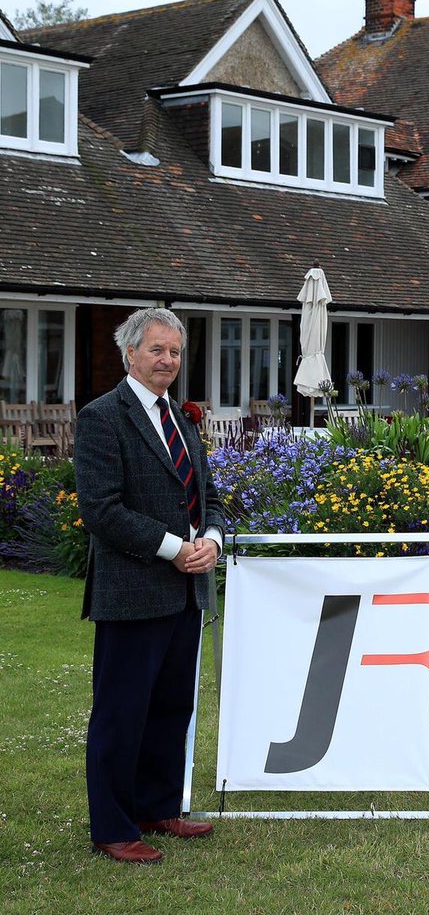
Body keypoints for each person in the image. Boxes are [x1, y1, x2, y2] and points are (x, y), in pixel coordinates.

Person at [75, 307, 225, 864]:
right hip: (133, 591)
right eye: (157, 350)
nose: (168, 360)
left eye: (175, 352)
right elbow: (101, 509)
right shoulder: (102, 417)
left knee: (170, 707)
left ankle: (158, 806)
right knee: (121, 713)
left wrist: (210, 537)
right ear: (129, 354)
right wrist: (174, 547)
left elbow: (209, 495)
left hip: (185, 591)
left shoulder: (183, 420)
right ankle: (113, 826)